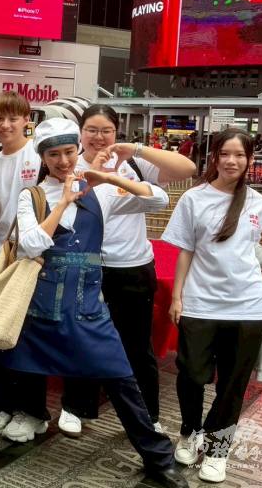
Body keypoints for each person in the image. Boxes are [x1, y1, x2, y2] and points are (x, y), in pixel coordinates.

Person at [0, 118, 187, 488]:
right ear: (43, 158)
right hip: (38, 308)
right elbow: (30, 245)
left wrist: (106, 178)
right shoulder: (33, 196)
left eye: (69, 152)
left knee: (122, 381)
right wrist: (62, 203)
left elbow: (158, 199)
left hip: (88, 309)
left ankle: (158, 458)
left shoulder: (100, 192)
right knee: (1, 375)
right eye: (54, 154)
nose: (63, 161)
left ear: (78, 151)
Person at [57, 104, 196, 438]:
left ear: (116, 132)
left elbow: (187, 168)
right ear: (81, 133)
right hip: (86, 265)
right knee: (82, 338)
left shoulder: (134, 163)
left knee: (136, 344)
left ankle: (148, 412)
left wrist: (134, 150)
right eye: (91, 130)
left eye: (106, 130)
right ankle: (77, 406)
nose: (98, 137)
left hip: (132, 266)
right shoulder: (70, 164)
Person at [162, 128, 262, 483]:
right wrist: (177, 296)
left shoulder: (256, 202)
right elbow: (186, 251)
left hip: (249, 307)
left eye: (239, 155)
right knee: (191, 374)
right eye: (225, 153)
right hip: (200, 303)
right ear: (214, 157)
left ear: (250, 160)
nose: (231, 161)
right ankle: (190, 431)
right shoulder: (194, 198)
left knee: (232, 384)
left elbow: (250, 246)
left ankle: (217, 450)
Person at [0, 90, 47, 442]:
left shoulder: (39, 155)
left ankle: (32, 411)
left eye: (12, 118)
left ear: (26, 120)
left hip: (31, 261)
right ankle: (1, 404)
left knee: (27, 339)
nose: (5, 125)